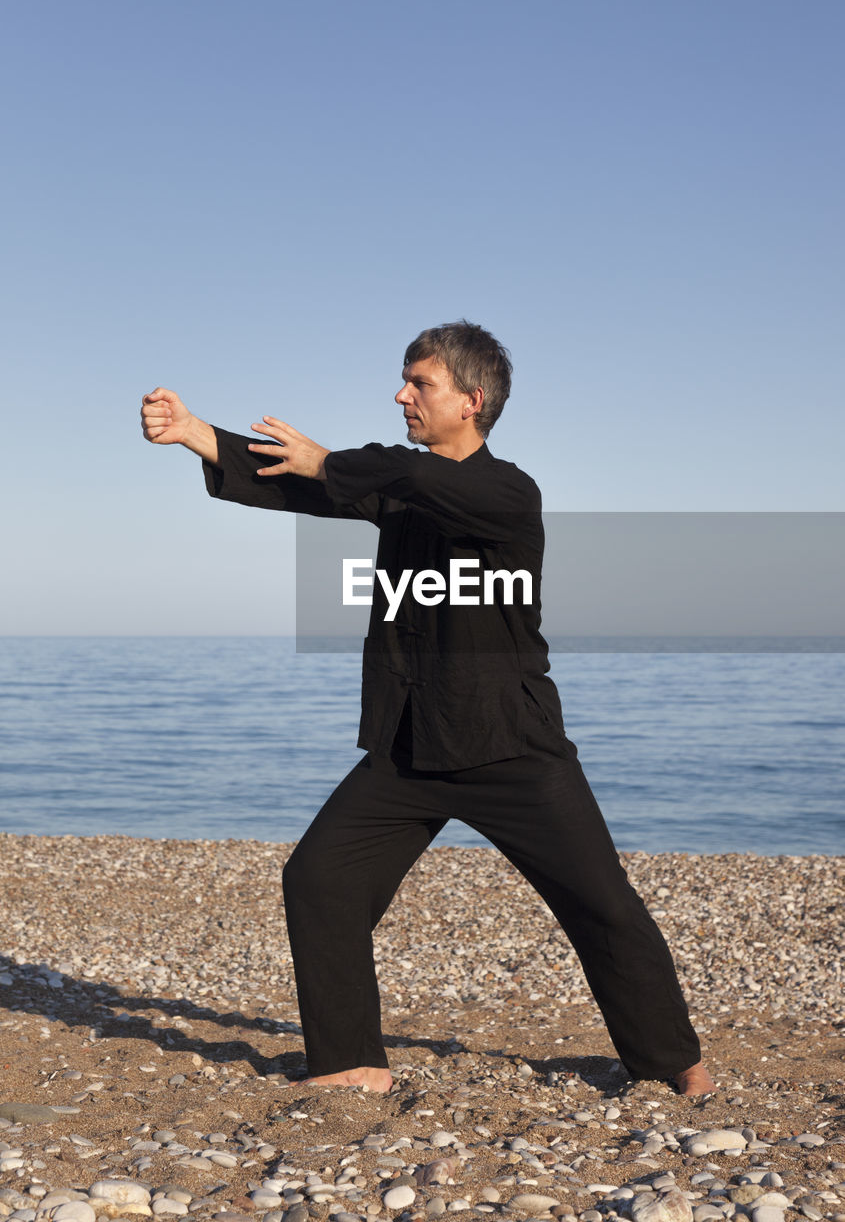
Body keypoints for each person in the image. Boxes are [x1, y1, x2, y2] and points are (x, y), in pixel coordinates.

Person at [140, 320, 715, 1096]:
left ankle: (676, 1066)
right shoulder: (401, 493)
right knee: (320, 880)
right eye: (404, 381)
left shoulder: (507, 492)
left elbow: (413, 479)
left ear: (471, 402)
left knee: (601, 908)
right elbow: (309, 481)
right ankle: (350, 1066)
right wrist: (198, 434)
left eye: (421, 384)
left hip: (511, 746)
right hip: (408, 746)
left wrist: (334, 460)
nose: (402, 395)